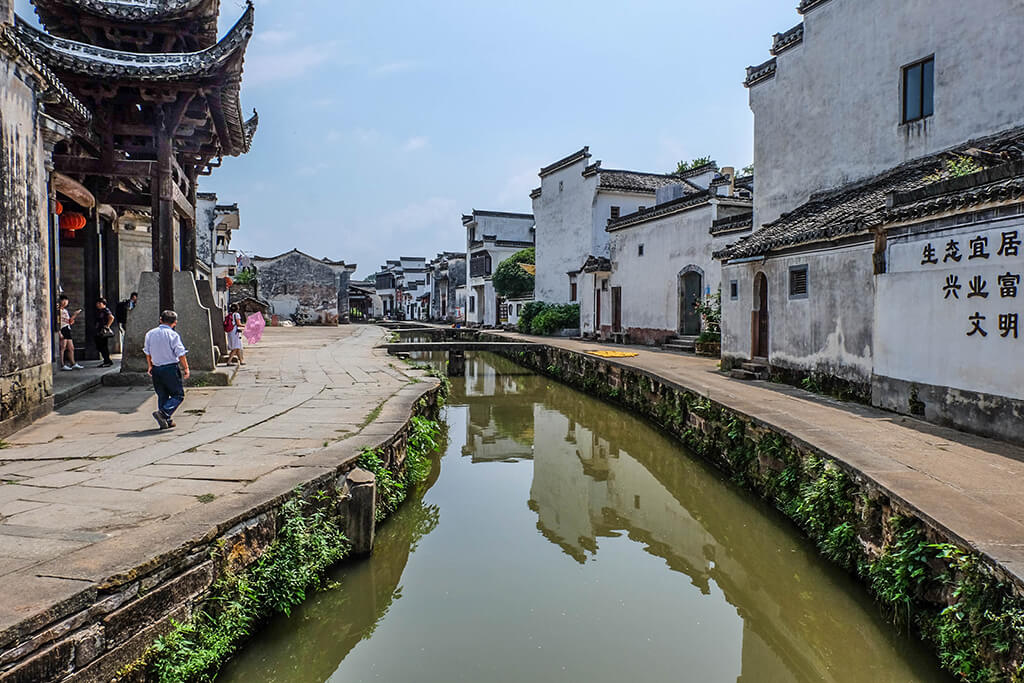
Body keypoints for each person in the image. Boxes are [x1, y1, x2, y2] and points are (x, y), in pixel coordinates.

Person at [144, 310, 190, 429]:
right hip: (170, 367)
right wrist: (186, 368)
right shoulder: (173, 335)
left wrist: (150, 365)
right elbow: (180, 353)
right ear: (175, 322)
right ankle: (163, 413)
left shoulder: (150, 333)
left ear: (160, 320)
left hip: (156, 368)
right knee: (178, 395)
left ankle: (166, 421)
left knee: (162, 394)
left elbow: (147, 352)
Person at [57, 295, 83, 370]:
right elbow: (57, 322)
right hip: (62, 329)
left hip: (67, 328)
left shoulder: (65, 311)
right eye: (63, 300)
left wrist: (75, 315)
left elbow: (69, 321)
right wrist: (59, 332)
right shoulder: (58, 311)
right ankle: (62, 364)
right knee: (63, 347)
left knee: (71, 348)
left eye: (66, 300)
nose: (65, 302)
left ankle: (73, 363)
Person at [93, 298, 116, 367]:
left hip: (102, 331)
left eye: (99, 303)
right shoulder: (99, 311)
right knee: (100, 346)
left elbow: (111, 317)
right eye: (97, 303)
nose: (98, 305)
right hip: (98, 330)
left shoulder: (106, 310)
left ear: (103, 304)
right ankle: (107, 360)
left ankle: (107, 361)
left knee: (103, 346)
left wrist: (107, 326)